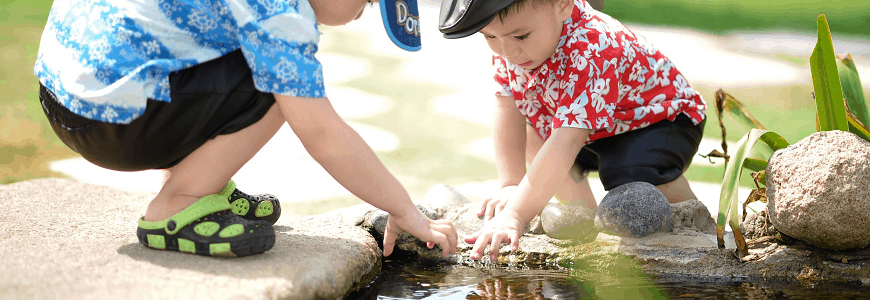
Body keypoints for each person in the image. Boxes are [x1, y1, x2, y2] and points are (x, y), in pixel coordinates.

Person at [34, 0, 457, 258]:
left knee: (251, 53)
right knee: (283, 85)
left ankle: (201, 183)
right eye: (367, 1)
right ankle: (179, 203)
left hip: (66, 93)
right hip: (110, 118)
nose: (362, 14)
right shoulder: (280, 11)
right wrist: (404, 209)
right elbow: (321, 132)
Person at [437, 0, 706, 260]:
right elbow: (507, 107)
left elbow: (566, 141)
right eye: (490, 37)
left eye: (521, 36)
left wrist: (516, 215)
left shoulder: (593, 47)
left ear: (563, 4)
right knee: (534, 134)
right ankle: (582, 219)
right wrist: (511, 184)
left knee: (628, 177)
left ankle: (696, 224)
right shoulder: (513, 46)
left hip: (658, 120)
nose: (507, 52)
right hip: (590, 129)